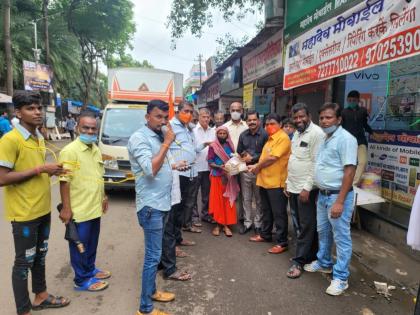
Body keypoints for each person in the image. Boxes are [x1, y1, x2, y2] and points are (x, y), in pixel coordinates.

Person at [0, 90, 70, 315]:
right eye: (31, 108)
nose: (37, 112)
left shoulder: (39, 137)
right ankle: (23, 310)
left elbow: (31, 171)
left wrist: (52, 171)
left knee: (40, 256)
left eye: (39, 107)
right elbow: (2, 178)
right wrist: (41, 168)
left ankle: (40, 296)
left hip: (42, 208)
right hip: (24, 214)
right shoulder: (10, 140)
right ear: (18, 112)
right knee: (23, 263)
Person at [127, 100, 178, 315]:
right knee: (152, 257)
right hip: (151, 206)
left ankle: (153, 292)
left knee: (155, 255)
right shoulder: (139, 138)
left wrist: (173, 161)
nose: (163, 122)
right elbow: (150, 170)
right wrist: (167, 142)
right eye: (158, 117)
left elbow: (162, 164)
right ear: (147, 116)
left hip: (162, 203)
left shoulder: (157, 135)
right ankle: (145, 309)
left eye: (165, 117)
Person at [304, 102, 357, 296]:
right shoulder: (327, 138)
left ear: (339, 119)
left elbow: (349, 171)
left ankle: (341, 278)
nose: (325, 121)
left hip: (337, 196)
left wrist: (340, 202)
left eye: (329, 117)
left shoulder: (346, 139)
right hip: (323, 195)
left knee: (341, 237)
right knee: (323, 231)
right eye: (322, 118)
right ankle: (324, 262)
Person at [58, 110, 110, 292]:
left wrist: (103, 196)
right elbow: (64, 181)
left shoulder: (95, 149)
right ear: (78, 128)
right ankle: (81, 280)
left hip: (94, 207)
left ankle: (90, 269)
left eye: (93, 129)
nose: (89, 132)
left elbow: (98, 175)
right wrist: (66, 208)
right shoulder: (69, 151)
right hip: (78, 210)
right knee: (79, 246)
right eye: (85, 128)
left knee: (92, 243)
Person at [160, 102, 206, 282]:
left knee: (182, 210)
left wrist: (203, 145)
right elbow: (166, 149)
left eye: (190, 112)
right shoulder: (170, 126)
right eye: (185, 111)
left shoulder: (188, 128)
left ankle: (178, 239)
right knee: (174, 211)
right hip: (177, 174)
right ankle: (172, 247)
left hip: (189, 172)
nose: (188, 114)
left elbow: (191, 149)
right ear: (178, 112)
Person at [285, 103, 325, 279]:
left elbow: (317, 163)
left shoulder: (316, 134)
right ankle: (312, 255)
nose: (299, 120)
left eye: (302, 116)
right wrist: (287, 182)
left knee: (306, 225)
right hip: (293, 186)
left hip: (305, 189)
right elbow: (294, 158)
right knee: (301, 224)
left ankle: (298, 262)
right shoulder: (296, 133)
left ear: (309, 116)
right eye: (296, 117)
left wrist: (307, 188)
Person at [249, 113, 291, 254]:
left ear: (279, 124)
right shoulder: (270, 139)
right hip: (264, 181)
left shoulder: (283, 138)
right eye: (267, 124)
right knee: (266, 211)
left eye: (272, 123)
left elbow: (272, 158)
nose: (269, 126)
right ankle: (265, 234)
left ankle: (282, 242)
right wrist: (255, 166)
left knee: (279, 213)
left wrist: (256, 167)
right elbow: (264, 158)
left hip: (277, 183)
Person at [236, 110, 268, 235]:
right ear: (247, 122)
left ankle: (258, 223)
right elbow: (239, 150)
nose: (252, 122)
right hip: (245, 170)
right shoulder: (243, 135)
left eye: (254, 120)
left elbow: (268, 153)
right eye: (249, 120)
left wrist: (253, 158)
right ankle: (247, 223)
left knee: (259, 199)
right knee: (246, 198)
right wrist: (244, 155)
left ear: (258, 121)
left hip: (260, 170)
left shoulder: (265, 135)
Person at [207, 126, 240, 237]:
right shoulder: (213, 146)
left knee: (227, 201)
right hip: (217, 176)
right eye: (219, 133)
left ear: (227, 135)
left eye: (223, 133)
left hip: (228, 177)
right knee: (217, 201)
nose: (221, 135)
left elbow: (233, 160)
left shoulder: (230, 145)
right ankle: (218, 224)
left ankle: (226, 225)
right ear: (217, 134)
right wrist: (220, 167)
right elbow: (210, 162)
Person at [341, 90, 374, 185]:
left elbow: (365, 125)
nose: (352, 102)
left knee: (363, 162)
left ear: (358, 100)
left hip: (360, 141)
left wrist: (373, 133)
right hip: (347, 142)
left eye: (354, 100)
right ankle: (344, 182)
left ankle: (353, 184)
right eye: (350, 100)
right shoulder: (343, 112)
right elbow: (340, 128)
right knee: (348, 164)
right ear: (347, 100)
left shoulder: (363, 111)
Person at [192, 108, 216, 225]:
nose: (206, 119)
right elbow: (192, 149)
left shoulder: (213, 131)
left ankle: (205, 214)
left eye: (208, 117)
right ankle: (194, 216)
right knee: (194, 193)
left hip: (208, 168)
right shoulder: (193, 131)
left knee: (206, 194)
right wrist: (204, 144)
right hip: (196, 167)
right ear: (199, 117)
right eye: (203, 117)